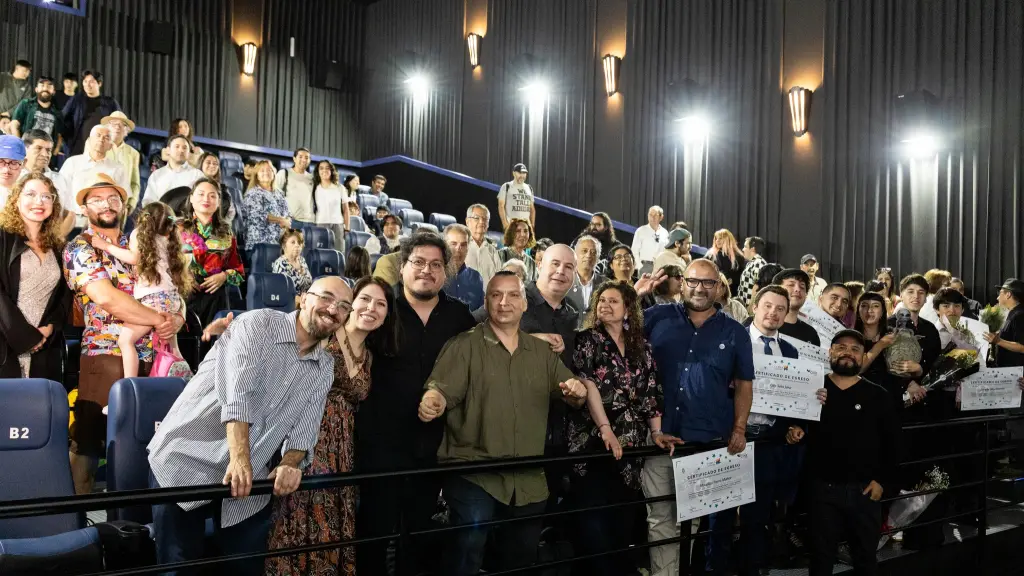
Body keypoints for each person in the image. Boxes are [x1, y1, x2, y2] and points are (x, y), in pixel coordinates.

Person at [147, 277, 350, 574]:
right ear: (303, 298)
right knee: (178, 568)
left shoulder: (324, 366)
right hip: (186, 459)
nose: (333, 309)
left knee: (246, 567)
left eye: (343, 306)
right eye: (327, 297)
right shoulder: (257, 324)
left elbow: (306, 428)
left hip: (248, 482)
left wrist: (290, 462)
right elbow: (238, 396)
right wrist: (240, 458)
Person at [418, 271, 588, 575]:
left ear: (524, 303)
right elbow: (440, 390)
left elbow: (573, 392)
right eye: (496, 295)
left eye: (512, 295)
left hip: (527, 477)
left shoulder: (541, 352)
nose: (504, 302)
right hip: (473, 472)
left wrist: (578, 391)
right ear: (486, 302)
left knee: (520, 558)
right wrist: (433, 401)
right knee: (466, 553)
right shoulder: (463, 345)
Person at [356, 231, 476, 575]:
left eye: (436, 264)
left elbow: (484, 352)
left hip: (433, 446)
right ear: (402, 266)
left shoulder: (459, 316)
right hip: (380, 445)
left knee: (419, 536)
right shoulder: (382, 307)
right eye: (419, 262)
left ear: (446, 271)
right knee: (374, 534)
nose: (427, 270)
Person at [266, 277, 397, 576]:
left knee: (333, 521)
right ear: (350, 305)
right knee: (298, 517)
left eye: (380, 304)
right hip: (306, 438)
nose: (371, 308)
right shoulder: (326, 335)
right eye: (365, 300)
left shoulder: (371, 356)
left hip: (343, 448)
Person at [64, 173, 184, 494]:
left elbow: (171, 287)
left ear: (124, 205)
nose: (106, 204)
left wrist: (177, 317)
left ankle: (132, 521)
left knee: (146, 451)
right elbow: (107, 298)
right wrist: (160, 319)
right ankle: (78, 520)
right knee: (88, 449)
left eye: (113, 198)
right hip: (105, 357)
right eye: (97, 199)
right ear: (84, 208)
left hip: (153, 359)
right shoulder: (80, 247)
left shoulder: (141, 241)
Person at [643, 258, 754, 576]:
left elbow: (744, 384)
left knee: (692, 522)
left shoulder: (735, 332)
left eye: (708, 282)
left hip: (705, 442)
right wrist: (635, 294)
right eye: (693, 281)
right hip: (658, 437)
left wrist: (739, 428)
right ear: (682, 283)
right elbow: (611, 332)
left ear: (718, 287)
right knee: (660, 521)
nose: (699, 288)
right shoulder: (656, 317)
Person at [566, 280, 672, 576]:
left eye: (613, 301)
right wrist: (606, 429)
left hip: (631, 444)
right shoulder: (587, 339)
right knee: (593, 522)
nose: (605, 305)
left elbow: (652, 391)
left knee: (622, 520)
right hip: (592, 441)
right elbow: (587, 384)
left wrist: (656, 432)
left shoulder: (641, 345)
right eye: (601, 300)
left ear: (628, 309)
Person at [789, 330, 900, 576]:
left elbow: (892, 444)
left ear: (863, 356)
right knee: (820, 559)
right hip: (821, 490)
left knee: (865, 558)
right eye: (841, 347)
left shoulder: (879, 395)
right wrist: (793, 430)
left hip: (865, 491)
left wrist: (882, 482)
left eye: (855, 349)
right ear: (830, 352)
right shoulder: (812, 390)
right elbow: (796, 428)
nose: (847, 353)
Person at [740, 285, 826, 576]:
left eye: (780, 308)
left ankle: (756, 568)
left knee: (761, 512)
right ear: (754, 306)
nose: (773, 313)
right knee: (724, 515)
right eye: (767, 306)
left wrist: (811, 399)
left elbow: (794, 395)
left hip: (770, 441)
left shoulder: (790, 350)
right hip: (734, 438)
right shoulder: (735, 339)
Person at [88, 201, 193, 378]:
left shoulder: (139, 234)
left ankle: (130, 382)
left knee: (125, 340)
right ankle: (185, 382)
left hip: (153, 300)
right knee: (172, 348)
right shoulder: (169, 239)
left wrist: (105, 246)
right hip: (171, 299)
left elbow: (133, 258)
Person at [0, 172, 72, 380]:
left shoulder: (58, 246)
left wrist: (50, 327)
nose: (39, 202)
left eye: (46, 196)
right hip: (7, 341)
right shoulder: (2, 237)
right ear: (16, 199)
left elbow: (63, 296)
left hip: (44, 345)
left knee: (39, 399)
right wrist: (26, 337)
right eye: (30, 194)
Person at [178, 179, 245, 327]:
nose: (206, 199)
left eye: (212, 196)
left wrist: (224, 276)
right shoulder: (177, 229)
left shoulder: (226, 232)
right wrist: (183, 275)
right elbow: (164, 263)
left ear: (219, 202)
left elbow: (239, 272)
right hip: (183, 296)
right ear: (191, 198)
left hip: (216, 299)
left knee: (213, 339)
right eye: (201, 194)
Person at [59, 124, 131, 226]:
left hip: (103, 223)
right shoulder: (72, 162)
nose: (101, 139)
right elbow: (60, 192)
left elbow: (123, 200)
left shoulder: (118, 168)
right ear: (89, 140)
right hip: (73, 220)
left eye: (106, 138)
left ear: (111, 146)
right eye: (98, 135)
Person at [887, 274, 941, 407]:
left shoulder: (930, 328)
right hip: (894, 399)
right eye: (910, 292)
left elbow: (936, 361)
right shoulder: (888, 325)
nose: (916, 296)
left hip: (926, 397)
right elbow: (881, 364)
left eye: (921, 292)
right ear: (901, 295)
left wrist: (920, 369)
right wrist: (908, 383)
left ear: (926, 298)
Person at [20, 130, 73, 233]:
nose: (45, 154)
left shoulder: (60, 180)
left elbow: (70, 214)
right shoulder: (13, 177)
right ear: (24, 150)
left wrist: (57, 238)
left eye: (48, 150)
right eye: (38, 148)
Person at [62, 70, 121, 156]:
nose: (87, 84)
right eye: (85, 81)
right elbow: (63, 118)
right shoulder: (77, 100)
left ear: (99, 83)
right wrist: (68, 140)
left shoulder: (110, 103)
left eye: (91, 82)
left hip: (102, 148)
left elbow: (119, 123)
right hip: (78, 148)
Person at [142, 135, 204, 206]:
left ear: (189, 152)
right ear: (168, 150)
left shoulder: (198, 175)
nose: (181, 150)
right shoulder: (157, 174)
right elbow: (148, 201)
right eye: (177, 146)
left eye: (185, 148)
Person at [243, 159, 290, 251]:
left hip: (278, 243)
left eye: (269, 170)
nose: (266, 173)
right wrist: (281, 220)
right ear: (257, 176)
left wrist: (287, 221)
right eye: (262, 171)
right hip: (259, 244)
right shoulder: (252, 193)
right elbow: (258, 215)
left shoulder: (279, 193)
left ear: (273, 173)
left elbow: (287, 213)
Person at [101, 112, 141, 215]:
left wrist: (131, 204)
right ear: (107, 127)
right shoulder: (99, 145)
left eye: (122, 125)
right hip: (100, 202)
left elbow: (135, 183)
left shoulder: (133, 153)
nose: (117, 127)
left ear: (126, 130)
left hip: (122, 206)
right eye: (114, 123)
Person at [9, 76, 64, 147]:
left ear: (53, 91)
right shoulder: (26, 104)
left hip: (46, 151)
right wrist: (21, 147)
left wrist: (55, 151)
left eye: (49, 86)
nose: (45, 88)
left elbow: (59, 135)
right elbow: (14, 125)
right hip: (27, 149)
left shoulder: (58, 111)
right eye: (42, 85)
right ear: (36, 89)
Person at [773, 268, 821, 345]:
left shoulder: (811, 334)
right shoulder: (760, 324)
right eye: (791, 285)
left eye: (802, 287)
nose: (797, 289)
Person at [442, 223, 484, 310]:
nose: (458, 249)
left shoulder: (476, 277)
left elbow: (483, 310)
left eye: (463, 245)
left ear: (468, 248)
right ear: (444, 246)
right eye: (453, 244)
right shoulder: (436, 276)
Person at [984, 278, 1024, 368]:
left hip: (1015, 372)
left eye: (1000, 293)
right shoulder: (1012, 313)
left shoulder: (1020, 315)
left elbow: (1022, 347)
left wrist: (998, 341)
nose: (997, 297)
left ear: (1008, 294)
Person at [312, 160, 349, 252]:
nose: (324, 170)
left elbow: (346, 209)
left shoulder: (340, 188)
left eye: (327, 168)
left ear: (332, 171)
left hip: (338, 224)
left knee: (339, 252)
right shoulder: (314, 187)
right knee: (321, 253)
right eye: (321, 168)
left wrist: (347, 228)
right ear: (318, 171)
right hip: (320, 224)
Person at [275, 147, 315, 226]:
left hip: (310, 222)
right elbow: (274, 196)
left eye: (306, 158)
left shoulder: (312, 178)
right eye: (300, 157)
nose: (303, 160)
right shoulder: (284, 173)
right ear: (294, 159)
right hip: (291, 221)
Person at [463, 203, 500, 284]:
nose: (481, 222)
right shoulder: (461, 246)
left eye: (485, 219)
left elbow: (498, 277)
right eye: (476, 218)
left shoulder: (492, 250)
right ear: (467, 221)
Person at [565, 234, 601, 313]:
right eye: (584, 251)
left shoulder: (606, 284)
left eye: (593, 252)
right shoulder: (564, 280)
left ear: (598, 258)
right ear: (575, 255)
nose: (588, 255)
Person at [705, 228, 746, 295]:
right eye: (716, 239)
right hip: (713, 291)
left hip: (733, 292)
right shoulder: (710, 255)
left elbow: (740, 275)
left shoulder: (738, 256)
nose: (717, 241)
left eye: (720, 238)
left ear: (727, 239)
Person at [272, 229, 313, 295]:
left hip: (307, 298)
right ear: (284, 245)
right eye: (293, 242)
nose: (297, 245)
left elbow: (310, 284)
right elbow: (283, 293)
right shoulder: (280, 264)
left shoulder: (302, 260)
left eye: (299, 242)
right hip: (290, 300)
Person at [497, 218, 537, 282]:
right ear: (511, 234)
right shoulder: (500, 255)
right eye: (518, 231)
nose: (522, 235)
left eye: (526, 231)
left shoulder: (532, 263)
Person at [497, 162, 535, 229]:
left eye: (524, 173)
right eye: (520, 173)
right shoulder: (506, 186)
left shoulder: (529, 188)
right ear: (514, 173)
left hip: (525, 228)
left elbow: (532, 209)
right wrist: (505, 224)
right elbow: (501, 206)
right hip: (512, 227)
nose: (522, 176)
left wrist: (532, 225)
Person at [631, 205, 668, 273]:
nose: (652, 217)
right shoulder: (641, 230)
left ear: (661, 217)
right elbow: (634, 250)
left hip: (660, 267)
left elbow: (666, 251)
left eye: (655, 215)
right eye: (650, 215)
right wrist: (640, 266)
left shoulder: (664, 232)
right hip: (645, 266)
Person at [737, 235, 766, 305]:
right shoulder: (752, 263)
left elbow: (757, 287)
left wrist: (751, 307)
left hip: (750, 307)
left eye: (745, 246)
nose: (743, 249)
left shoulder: (758, 263)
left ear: (753, 249)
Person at [0, 134, 26, 206]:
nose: (6, 170)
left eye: (14, 163)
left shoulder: (30, 191)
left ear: (24, 163)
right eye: (0, 162)